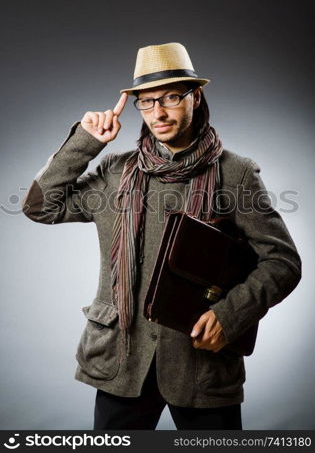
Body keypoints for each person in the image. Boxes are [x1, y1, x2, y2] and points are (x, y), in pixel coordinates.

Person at [22, 42, 302, 430]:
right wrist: (85, 143)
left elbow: (283, 262)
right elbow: (40, 207)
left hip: (200, 364)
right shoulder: (116, 172)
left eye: (171, 97)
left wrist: (229, 315)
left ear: (195, 96)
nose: (159, 112)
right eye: (147, 101)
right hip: (121, 361)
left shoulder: (235, 174)